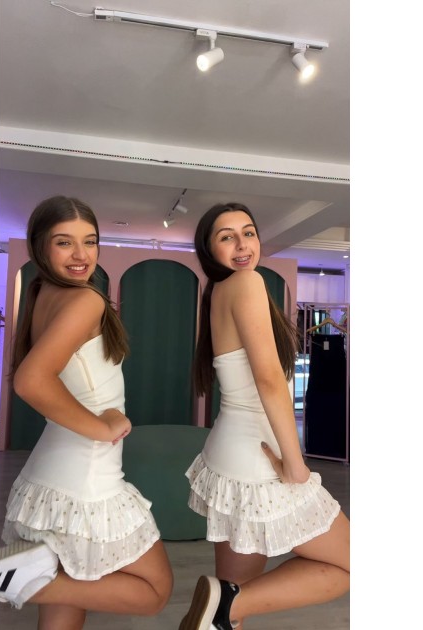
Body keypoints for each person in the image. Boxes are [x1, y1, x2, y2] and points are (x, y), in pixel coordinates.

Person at [0, 196, 173, 629]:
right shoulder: (85, 300)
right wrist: (102, 427)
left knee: (66, 605)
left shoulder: (43, 293)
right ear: (40, 246)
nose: (81, 255)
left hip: (49, 475)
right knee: (154, 591)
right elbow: (30, 381)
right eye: (64, 242)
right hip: (85, 477)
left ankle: (16, 577)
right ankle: (3, 579)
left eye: (89, 241)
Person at [179, 202, 350, 630]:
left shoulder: (218, 292)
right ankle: (225, 607)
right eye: (227, 237)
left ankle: (224, 608)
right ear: (209, 249)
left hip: (231, 454)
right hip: (258, 459)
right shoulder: (246, 282)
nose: (242, 245)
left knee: (229, 599)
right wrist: (295, 463)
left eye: (249, 232)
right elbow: (270, 380)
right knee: (351, 563)